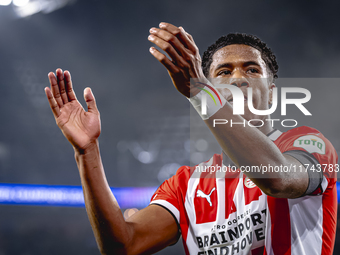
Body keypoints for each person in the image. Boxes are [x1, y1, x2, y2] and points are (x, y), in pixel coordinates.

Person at [45, 22, 337, 255]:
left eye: (252, 69)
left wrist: (201, 93)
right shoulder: (187, 184)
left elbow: (277, 180)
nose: (238, 78)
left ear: (272, 93)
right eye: (224, 71)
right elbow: (123, 246)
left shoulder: (308, 143)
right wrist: (87, 152)